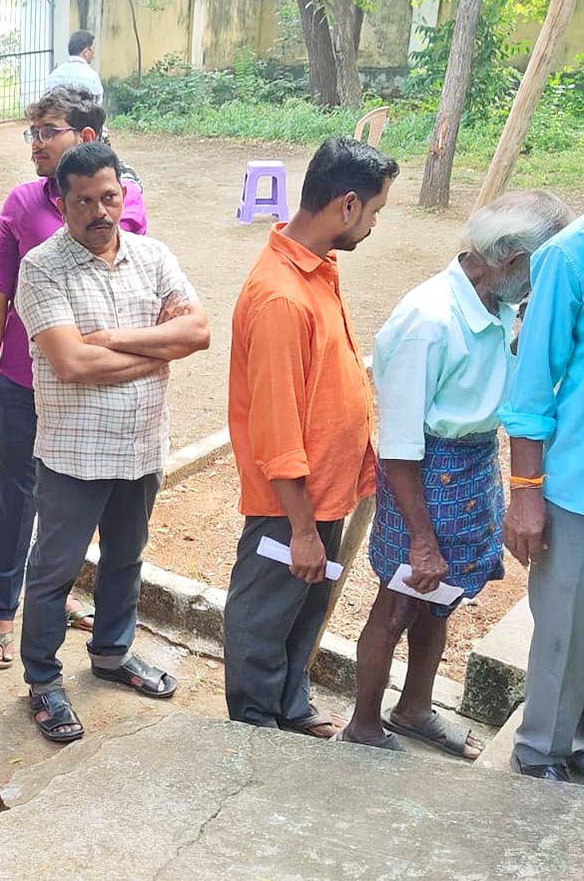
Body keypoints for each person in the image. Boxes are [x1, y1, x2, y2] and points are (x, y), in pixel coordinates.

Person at [339, 191, 572, 758]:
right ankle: (364, 725)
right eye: (540, 269)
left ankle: (414, 709)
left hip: (467, 469)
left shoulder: (498, 306)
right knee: (397, 603)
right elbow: (398, 447)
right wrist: (421, 538)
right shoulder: (427, 319)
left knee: (439, 600)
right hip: (421, 477)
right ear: (511, 258)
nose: (542, 284)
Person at [15, 143, 209, 742]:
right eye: (83, 202)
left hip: (141, 446)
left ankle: (111, 654)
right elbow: (71, 362)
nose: (100, 212)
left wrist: (116, 340)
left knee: (127, 558)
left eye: (109, 197)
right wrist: (155, 351)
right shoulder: (42, 268)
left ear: (122, 194)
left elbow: (197, 331)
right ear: (61, 201)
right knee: (56, 570)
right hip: (75, 453)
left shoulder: (153, 257)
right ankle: (43, 680)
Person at [224, 136, 398, 738]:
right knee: (264, 616)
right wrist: (300, 528)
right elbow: (275, 431)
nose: (372, 225)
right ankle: (252, 729)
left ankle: (289, 706)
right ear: (347, 205)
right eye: (373, 212)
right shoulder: (280, 296)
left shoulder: (318, 269)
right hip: (288, 506)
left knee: (304, 608)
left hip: (323, 493)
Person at [0, 86, 148, 668]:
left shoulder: (124, 201)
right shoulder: (25, 202)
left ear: (87, 137)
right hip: (26, 384)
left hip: (97, 389)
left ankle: (71, 609)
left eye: (47, 130)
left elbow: (138, 289)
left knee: (82, 513)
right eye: (33, 132)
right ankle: (3, 606)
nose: (35, 144)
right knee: (17, 495)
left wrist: (124, 353)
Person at [500, 199, 584, 786]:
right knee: (567, 630)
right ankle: (541, 753)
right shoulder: (572, 254)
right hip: (580, 487)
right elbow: (531, 391)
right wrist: (526, 494)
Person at [45, 30, 103, 99]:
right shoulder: (92, 78)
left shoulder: (53, 76)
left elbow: (46, 102)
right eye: (93, 49)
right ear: (86, 52)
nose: (94, 55)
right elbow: (97, 105)